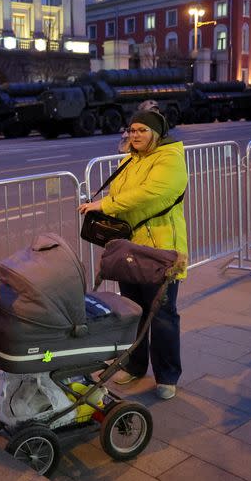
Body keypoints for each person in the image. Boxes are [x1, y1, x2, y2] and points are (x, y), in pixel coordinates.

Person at [78, 109, 188, 400]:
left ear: (156, 133)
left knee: (162, 313)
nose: (135, 135)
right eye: (132, 129)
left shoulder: (170, 158)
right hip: (129, 246)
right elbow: (125, 196)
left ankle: (167, 376)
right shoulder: (130, 159)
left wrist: (106, 205)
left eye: (142, 130)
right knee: (133, 310)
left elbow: (153, 193)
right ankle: (136, 366)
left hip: (160, 249)